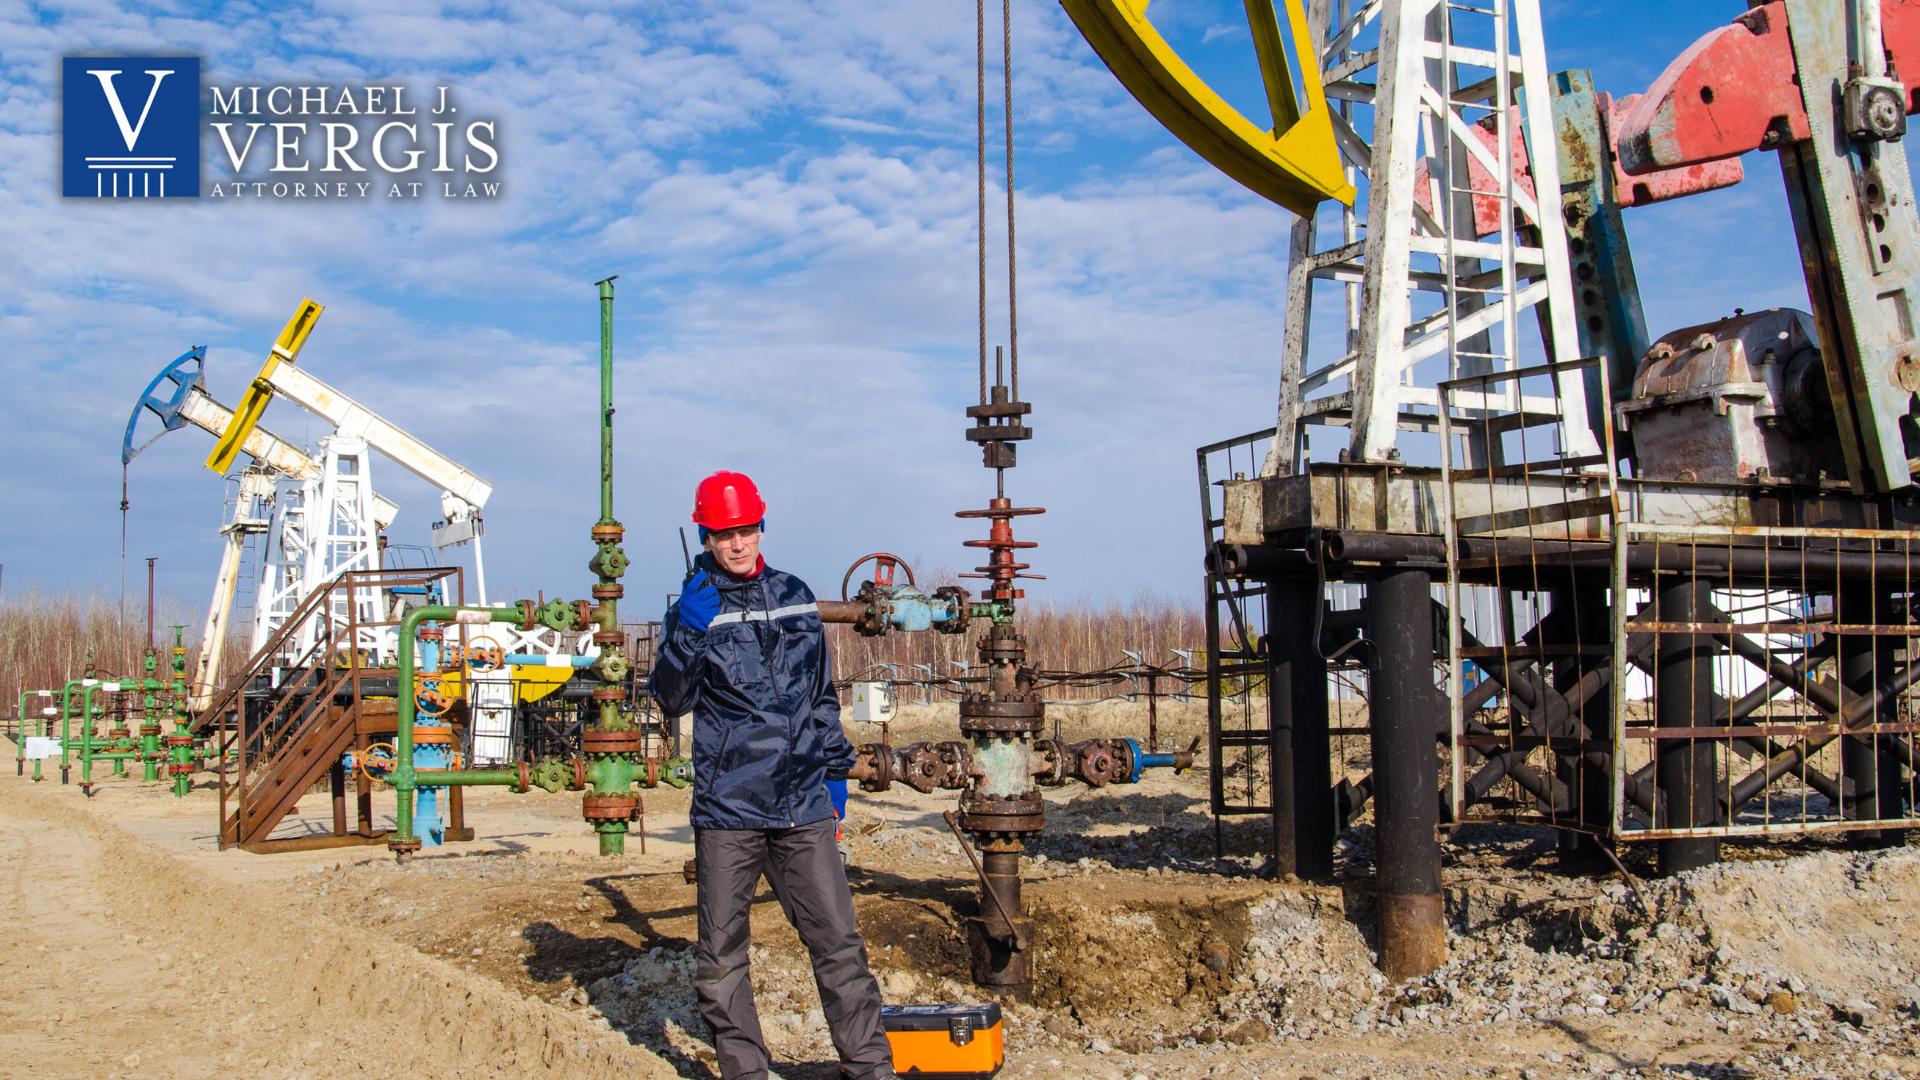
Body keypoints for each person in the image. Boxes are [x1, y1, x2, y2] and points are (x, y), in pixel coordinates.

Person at [651, 470, 895, 1080]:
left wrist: (833, 772)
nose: (738, 543)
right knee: (723, 958)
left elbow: (820, 695)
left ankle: (871, 1069)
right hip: (730, 809)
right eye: (723, 534)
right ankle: (746, 1072)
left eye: (746, 529)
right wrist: (687, 631)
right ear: (705, 536)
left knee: (839, 945)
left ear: (761, 526)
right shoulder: (691, 610)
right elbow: (670, 700)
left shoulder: (795, 594)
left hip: (802, 806)